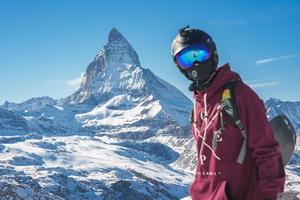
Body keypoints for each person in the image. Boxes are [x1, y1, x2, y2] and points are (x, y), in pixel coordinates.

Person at [171, 26, 285, 200]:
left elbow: (267, 151)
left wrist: (270, 195)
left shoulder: (240, 95)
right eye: (185, 59)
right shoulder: (198, 106)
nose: (195, 64)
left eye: (200, 54)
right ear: (179, 66)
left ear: (213, 54)